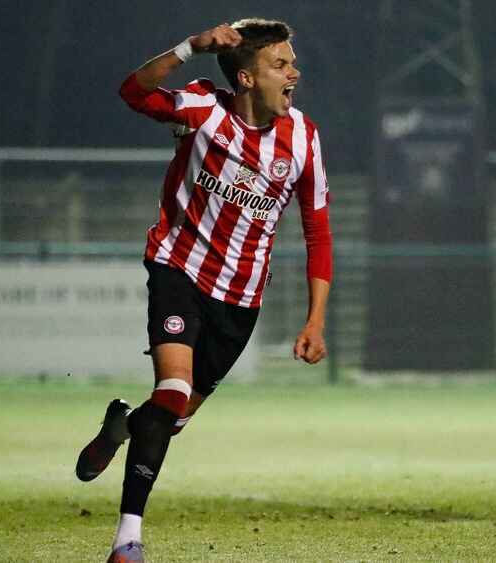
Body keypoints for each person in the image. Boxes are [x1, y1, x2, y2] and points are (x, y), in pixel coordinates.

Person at [74, 18, 332, 562]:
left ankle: (121, 429)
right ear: (245, 78)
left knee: (172, 419)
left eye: (292, 64)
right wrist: (191, 47)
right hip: (179, 271)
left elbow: (318, 232)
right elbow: (132, 91)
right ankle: (128, 541)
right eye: (280, 65)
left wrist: (315, 320)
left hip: (240, 301)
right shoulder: (201, 110)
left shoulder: (303, 139)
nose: (295, 73)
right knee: (171, 393)